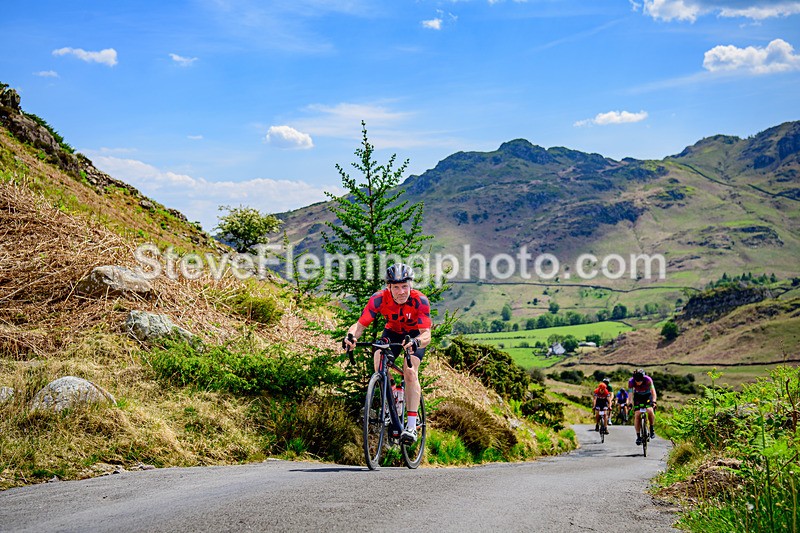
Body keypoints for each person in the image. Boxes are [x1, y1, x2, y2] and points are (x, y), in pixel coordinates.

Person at [343, 263, 432, 444]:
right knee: (378, 363)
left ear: (411, 286)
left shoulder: (419, 300)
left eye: (405, 286)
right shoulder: (378, 299)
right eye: (396, 287)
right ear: (388, 287)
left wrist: (416, 342)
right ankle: (391, 394)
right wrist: (350, 337)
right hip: (392, 332)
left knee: (410, 371)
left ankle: (411, 427)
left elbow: (426, 334)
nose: (401, 292)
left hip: (414, 335)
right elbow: (359, 326)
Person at [627, 369, 657, 445]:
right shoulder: (631, 381)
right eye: (637, 381)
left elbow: (653, 392)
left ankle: (652, 428)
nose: (638, 383)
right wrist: (630, 403)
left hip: (647, 396)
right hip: (638, 396)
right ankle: (638, 436)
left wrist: (654, 401)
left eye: (640, 381)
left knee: (650, 411)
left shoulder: (648, 379)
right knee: (637, 414)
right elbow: (630, 394)